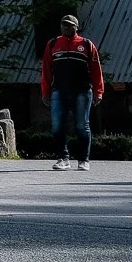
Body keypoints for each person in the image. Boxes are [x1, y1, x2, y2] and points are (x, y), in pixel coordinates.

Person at [40, 15, 105, 171]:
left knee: (82, 125)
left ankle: (83, 159)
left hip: (82, 91)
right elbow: (46, 70)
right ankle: (63, 158)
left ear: (76, 27)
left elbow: (96, 70)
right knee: (57, 126)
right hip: (59, 91)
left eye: (69, 25)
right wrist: (45, 92)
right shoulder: (53, 44)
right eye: (63, 25)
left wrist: (98, 91)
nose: (66, 28)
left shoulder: (86, 45)